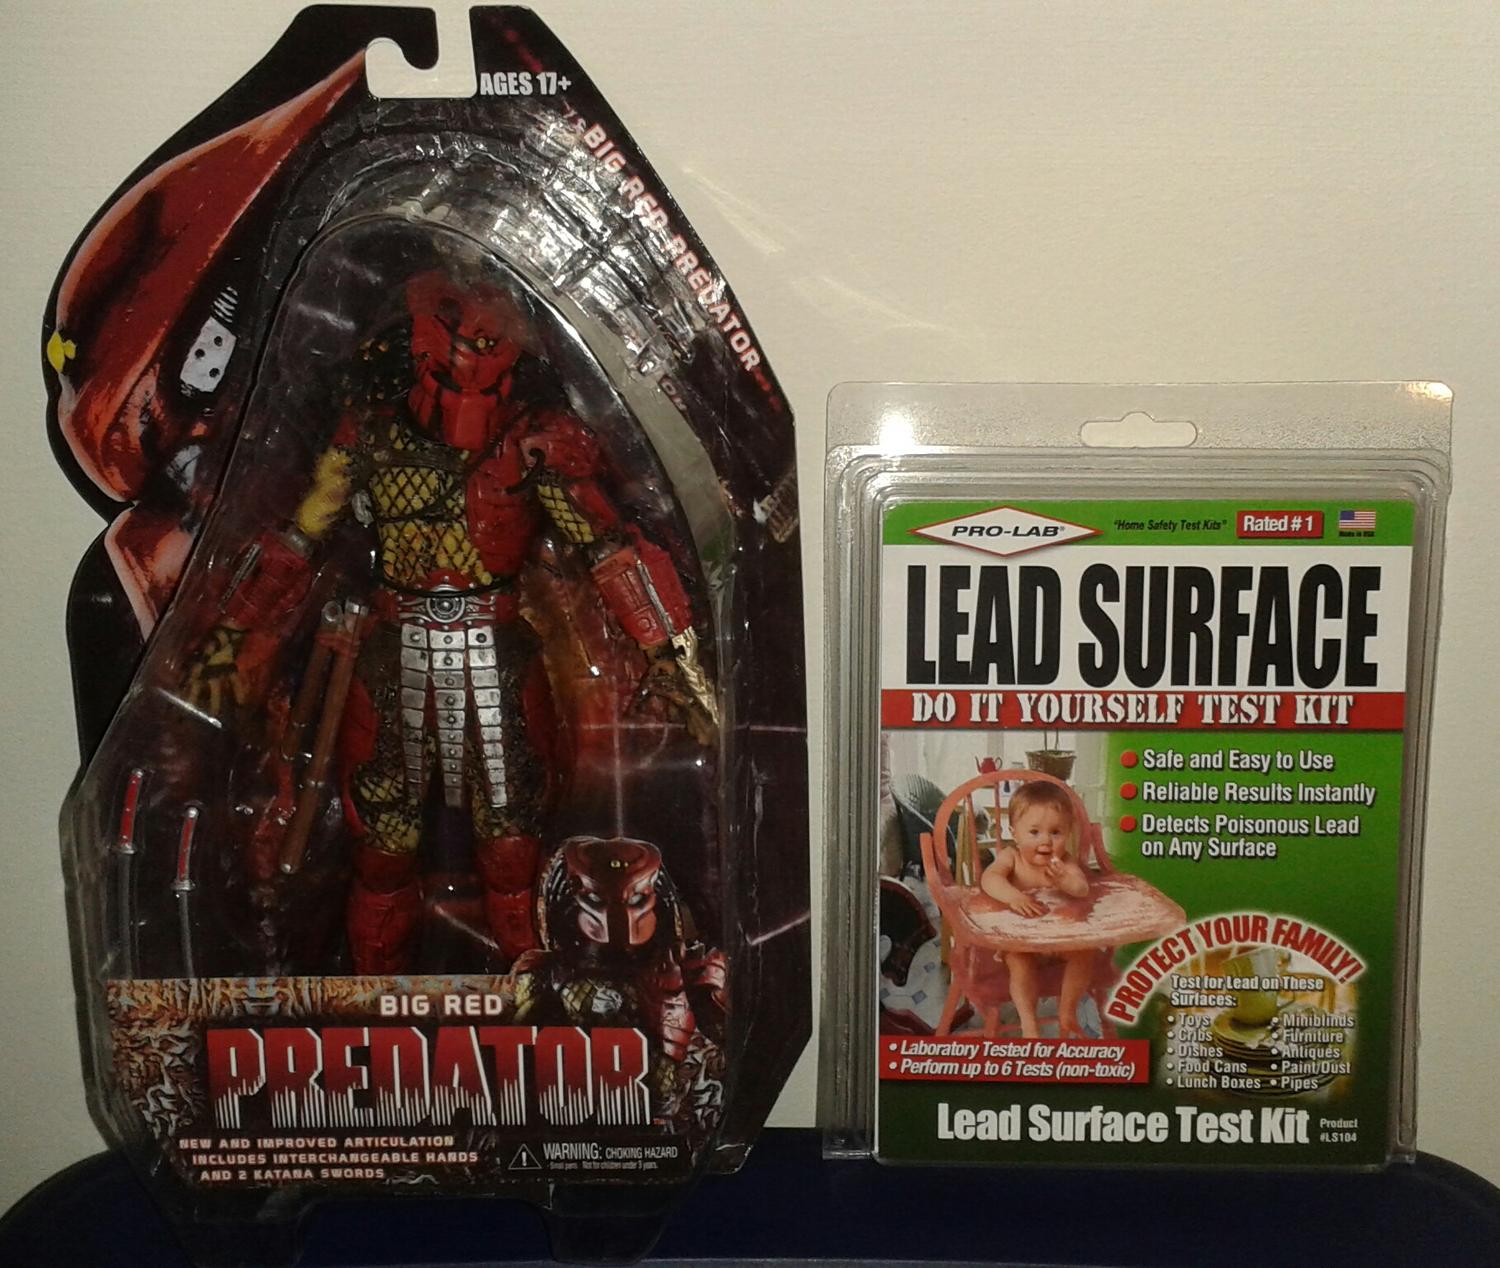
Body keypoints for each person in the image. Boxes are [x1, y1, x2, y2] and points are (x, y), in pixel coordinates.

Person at [979, 780, 1093, 1038]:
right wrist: (1013, 897)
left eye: (1056, 832)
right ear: (1015, 833)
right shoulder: (1012, 857)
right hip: (1022, 942)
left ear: (1068, 833)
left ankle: (1067, 1013)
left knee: (1085, 953)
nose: (1046, 841)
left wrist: (1065, 881)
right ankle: (1029, 1022)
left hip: (1060, 939)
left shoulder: (1064, 863)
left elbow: (1082, 889)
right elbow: (990, 878)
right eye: (1034, 832)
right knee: (1019, 963)